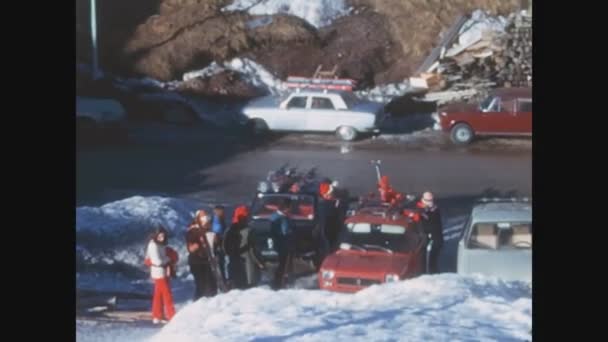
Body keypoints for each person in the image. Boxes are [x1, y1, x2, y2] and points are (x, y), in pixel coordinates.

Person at [145, 227, 176, 324]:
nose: (162, 237)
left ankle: (157, 315)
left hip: (162, 271)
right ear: (155, 236)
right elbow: (157, 261)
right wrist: (168, 259)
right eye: (160, 235)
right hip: (159, 272)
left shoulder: (160, 244)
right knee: (167, 294)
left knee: (158, 295)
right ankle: (172, 315)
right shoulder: (153, 245)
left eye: (163, 235)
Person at [185, 210, 217, 299]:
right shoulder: (193, 231)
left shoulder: (209, 230)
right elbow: (190, 246)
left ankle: (212, 303)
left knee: (211, 283)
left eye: (206, 215)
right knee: (201, 285)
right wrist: (197, 245)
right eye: (202, 216)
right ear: (198, 218)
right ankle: (198, 304)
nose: (205, 218)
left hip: (208, 260)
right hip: (197, 262)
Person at [223, 205, 254, 289]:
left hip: (234, 258)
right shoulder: (236, 230)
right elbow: (232, 248)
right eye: (245, 217)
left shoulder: (232, 229)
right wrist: (246, 248)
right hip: (236, 258)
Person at [416, 191, 443, 274]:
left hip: (435, 237)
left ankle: (433, 273)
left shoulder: (435, 210)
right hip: (422, 238)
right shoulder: (419, 210)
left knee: (433, 260)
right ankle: (422, 273)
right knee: (422, 259)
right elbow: (418, 224)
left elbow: (436, 224)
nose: (430, 203)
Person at [270, 199, 294, 290]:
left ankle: (277, 282)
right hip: (284, 245)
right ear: (286, 208)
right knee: (283, 265)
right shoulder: (283, 219)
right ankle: (279, 284)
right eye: (290, 207)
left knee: (281, 264)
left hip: (278, 245)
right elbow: (286, 232)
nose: (291, 209)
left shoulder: (273, 216)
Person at [211, 205, 227, 280]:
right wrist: (218, 246)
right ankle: (221, 280)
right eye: (222, 212)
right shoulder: (216, 220)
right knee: (220, 264)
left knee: (221, 263)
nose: (224, 213)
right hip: (218, 245)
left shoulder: (220, 220)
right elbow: (216, 234)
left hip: (220, 244)